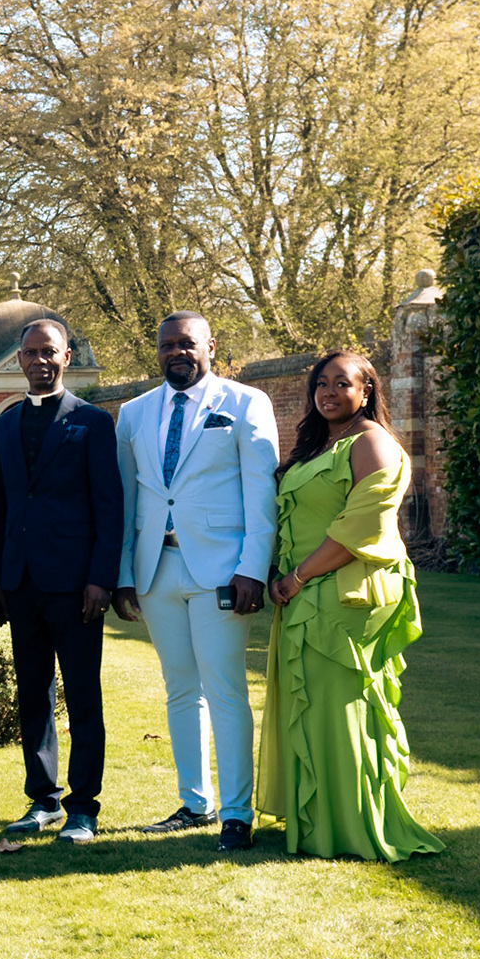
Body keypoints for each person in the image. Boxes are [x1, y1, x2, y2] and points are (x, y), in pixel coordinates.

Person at [258, 351, 443, 861]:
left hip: (347, 593)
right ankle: (317, 822)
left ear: (367, 391)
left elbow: (361, 528)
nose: (329, 392)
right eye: (322, 383)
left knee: (341, 708)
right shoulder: (320, 445)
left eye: (343, 383)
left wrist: (297, 577)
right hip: (305, 591)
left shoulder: (372, 443)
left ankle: (350, 826)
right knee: (314, 709)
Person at [113, 312, 279, 852]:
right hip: (155, 568)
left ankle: (237, 814)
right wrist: (123, 575)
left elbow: (261, 493)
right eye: (167, 345)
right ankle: (194, 802)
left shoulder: (246, 403)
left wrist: (252, 568)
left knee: (225, 689)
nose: (176, 353)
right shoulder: (134, 413)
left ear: (210, 345)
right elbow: (127, 499)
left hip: (222, 570)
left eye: (187, 344)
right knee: (181, 689)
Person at [0, 320, 121, 844]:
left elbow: (109, 507)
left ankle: (83, 807)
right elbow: (0, 506)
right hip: (21, 583)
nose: (39, 361)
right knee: (33, 696)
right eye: (30, 353)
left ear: (67, 357)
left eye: (49, 352)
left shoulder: (93, 422)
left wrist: (101, 580)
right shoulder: (4, 425)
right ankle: (42, 800)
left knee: (83, 697)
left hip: (76, 585)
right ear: (19, 359)